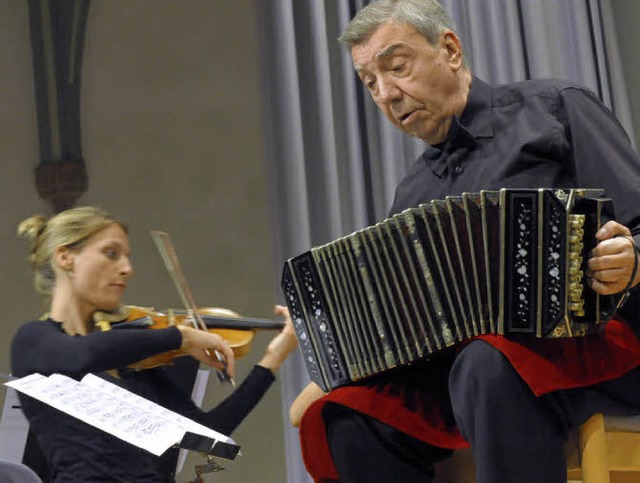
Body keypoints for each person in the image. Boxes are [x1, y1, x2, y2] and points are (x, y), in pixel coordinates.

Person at [290, 1, 640, 482]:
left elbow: (637, 222)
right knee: (349, 413)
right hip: (474, 377)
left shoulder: (555, 107)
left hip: (602, 342)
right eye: (370, 83)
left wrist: (632, 257)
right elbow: (409, 327)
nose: (387, 93)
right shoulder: (413, 195)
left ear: (450, 49)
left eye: (396, 67)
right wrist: (340, 360)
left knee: (487, 360)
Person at [11, 206, 298, 482]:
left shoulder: (134, 356)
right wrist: (180, 337)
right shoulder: (34, 341)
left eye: (127, 256)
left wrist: (272, 359)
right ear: (65, 258)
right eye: (111, 254)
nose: (127, 268)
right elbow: (84, 354)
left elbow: (208, 433)